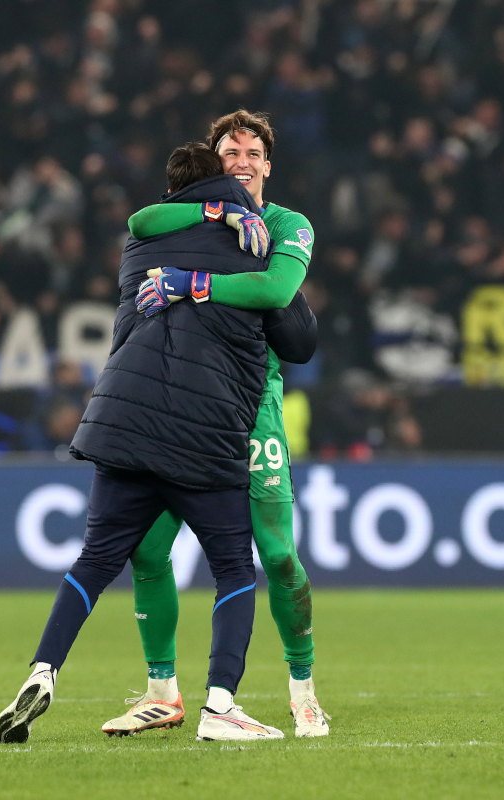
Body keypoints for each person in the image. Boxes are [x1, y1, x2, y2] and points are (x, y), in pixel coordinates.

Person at [0, 142, 281, 744]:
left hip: (123, 423)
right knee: (233, 569)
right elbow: (288, 317)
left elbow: (143, 228)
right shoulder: (250, 241)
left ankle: (43, 669)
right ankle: (221, 706)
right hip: (205, 428)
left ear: (174, 191)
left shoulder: (140, 245)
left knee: (95, 560)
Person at [112, 110, 328, 738]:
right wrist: (214, 213)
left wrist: (190, 281)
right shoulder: (190, 213)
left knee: (279, 554)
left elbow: (277, 289)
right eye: (229, 151)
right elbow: (141, 222)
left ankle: (303, 686)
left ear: (268, 165)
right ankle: (162, 692)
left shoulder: (289, 224)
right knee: (148, 548)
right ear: (214, 161)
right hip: (182, 398)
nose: (241, 161)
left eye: (252, 152)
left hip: (251, 400)